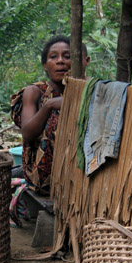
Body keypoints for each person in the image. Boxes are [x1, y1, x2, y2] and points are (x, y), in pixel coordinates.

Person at [11, 35, 89, 194]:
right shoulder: (35, 92)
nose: (60, 61)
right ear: (45, 65)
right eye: (53, 57)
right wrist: (49, 105)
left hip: (83, 174)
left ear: (84, 61)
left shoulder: (89, 90)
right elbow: (27, 133)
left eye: (67, 56)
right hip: (45, 177)